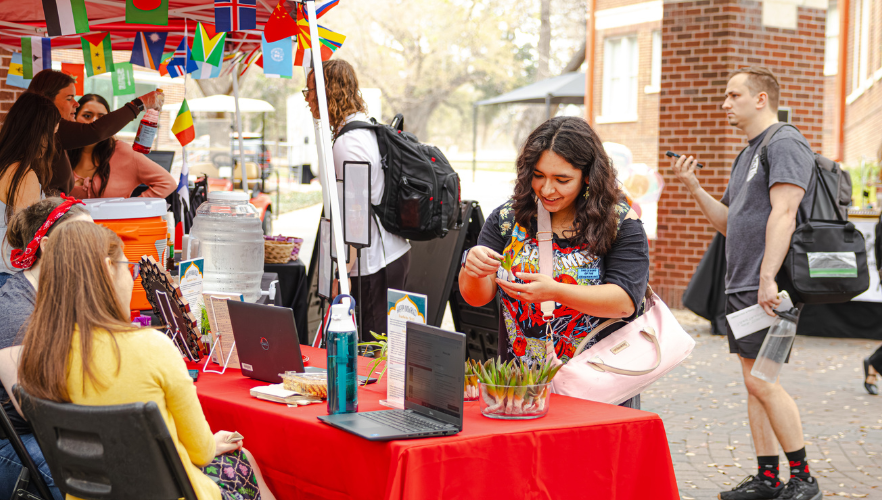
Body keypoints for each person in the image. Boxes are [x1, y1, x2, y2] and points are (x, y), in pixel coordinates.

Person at [16, 222, 276, 500]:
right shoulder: (152, 347)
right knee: (242, 459)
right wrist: (210, 443)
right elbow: (201, 451)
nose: (133, 278)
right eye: (130, 268)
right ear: (107, 269)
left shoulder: (37, 353)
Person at [670, 66, 820, 500]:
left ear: (760, 99)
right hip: (742, 288)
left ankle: (804, 479)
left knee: (763, 381)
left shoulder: (785, 141)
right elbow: (728, 223)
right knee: (754, 380)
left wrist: (768, 278)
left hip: (770, 290)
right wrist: (694, 186)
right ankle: (769, 479)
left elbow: (785, 212)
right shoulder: (746, 154)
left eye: (733, 95)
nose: (724, 104)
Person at [459, 116, 649, 409]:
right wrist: (472, 265)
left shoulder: (620, 223)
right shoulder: (509, 219)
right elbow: (476, 296)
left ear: (588, 176)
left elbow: (624, 301)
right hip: (522, 385)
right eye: (538, 176)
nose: (547, 190)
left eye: (562, 180)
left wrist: (556, 291)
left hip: (600, 383)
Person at [304, 60, 411, 341]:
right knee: (382, 346)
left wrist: (343, 272)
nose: (308, 100)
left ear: (328, 92)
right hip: (388, 255)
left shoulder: (347, 143)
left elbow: (355, 212)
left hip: (373, 264)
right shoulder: (363, 131)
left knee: (372, 351)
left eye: (310, 91)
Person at [0, 196, 92, 500]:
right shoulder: (14, 310)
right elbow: (32, 409)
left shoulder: (66, 293)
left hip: (59, 427)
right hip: (17, 442)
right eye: (83, 241)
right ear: (49, 246)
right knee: (95, 474)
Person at [26, 69, 164, 195]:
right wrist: (140, 104)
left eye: (102, 117)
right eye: (69, 98)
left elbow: (165, 181)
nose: (76, 103)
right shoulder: (45, 127)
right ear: (47, 99)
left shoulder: (120, 149)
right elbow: (95, 131)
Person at [0, 93, 62, 288]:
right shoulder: (22, 174)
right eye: (52, 134)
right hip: (9, 277)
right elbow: (30, 238)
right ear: (40, 134)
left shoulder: (5, 165)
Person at [68, 94, 177, 199]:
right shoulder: (62, 151)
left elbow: (167, 183)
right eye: (87, 116)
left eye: (102, 118)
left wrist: (131, 209)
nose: (94, 122)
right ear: (74, 117)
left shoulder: (122, 151)